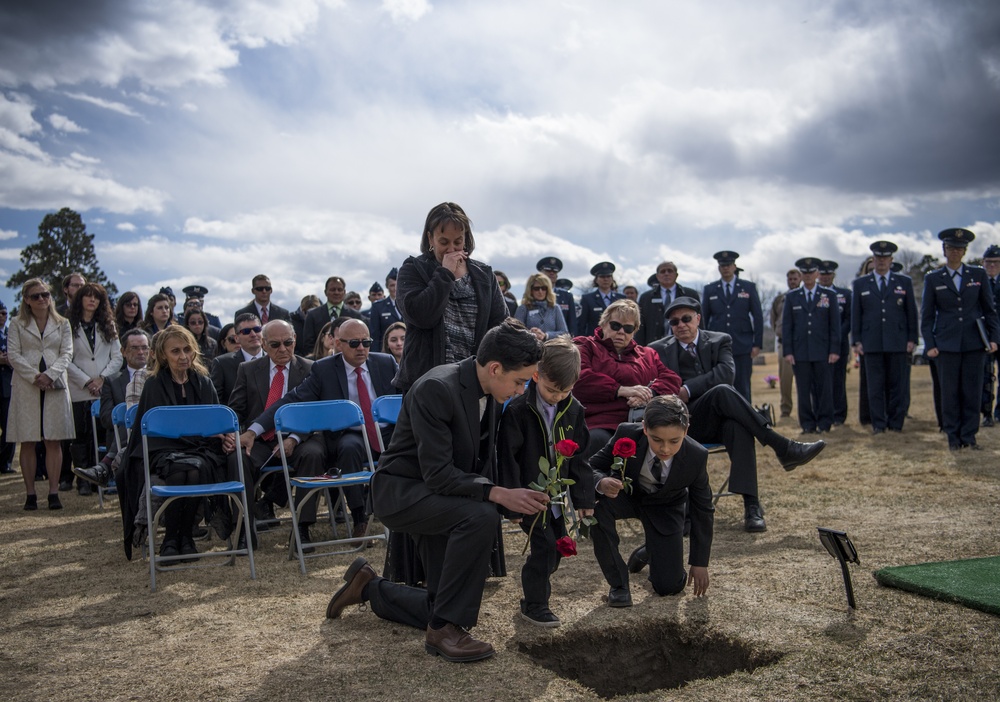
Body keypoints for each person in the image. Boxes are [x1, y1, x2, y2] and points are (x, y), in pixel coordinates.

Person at [324, 320, 546, 663]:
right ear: (496, 368)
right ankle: (445, 631)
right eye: (519, 381)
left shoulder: (485, 387)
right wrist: (498, 495)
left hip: (440, 495)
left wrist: (512, 499)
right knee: (481, 516)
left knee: (440, 601)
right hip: (402, 494)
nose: (520, 391)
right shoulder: (437, 388)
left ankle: (368, 586)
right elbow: (439, 473)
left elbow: (477, 460)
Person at [648, 297, 826, 533]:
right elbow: (660, 385)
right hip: (681, 423)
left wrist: (687, 389)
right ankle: (781, 446)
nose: (681, 325)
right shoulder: (658, 349)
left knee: (737, 425)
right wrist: (683, 392)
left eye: (686, 319)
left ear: (698, 319)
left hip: (717, 420)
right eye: (674, 321)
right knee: (723, 394)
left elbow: (726, 373)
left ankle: (751, 507)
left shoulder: (720, 340)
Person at [252, 318, 398, 543]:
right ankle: (360, 519)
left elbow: (409, 394)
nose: (361, 348)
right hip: (352, 434)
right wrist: (253, 430)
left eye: (366, 342)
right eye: (354, 343)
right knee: (348, 448)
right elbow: (292, 400)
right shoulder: (324, 369)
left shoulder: (386, 362)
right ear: (338, 344)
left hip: (388, 432)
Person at [497, 337, 594, 627]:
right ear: (536, 375)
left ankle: (535, 592)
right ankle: (535, 604)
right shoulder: (518, 410)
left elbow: (580, 457)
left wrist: (585, 499)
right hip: (528, 493)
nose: (557, 396)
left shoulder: (573, 410)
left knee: (558, 547)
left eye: (565, 391)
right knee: (544, 546)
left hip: (557, 495)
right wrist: (513, 504)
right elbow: (508, 458)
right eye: (552, 390)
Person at [117, 326, 234, 561]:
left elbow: (213, 422)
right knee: (182, 469)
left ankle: (182, 537)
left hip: (200, 450)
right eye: (176, 351)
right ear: (163, 355)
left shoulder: (203, 382)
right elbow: (152, 430)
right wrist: (197, 431)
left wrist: (221, 434)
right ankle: (174, 537)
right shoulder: (153, 384)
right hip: (163, 449)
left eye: (187, 349)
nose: (183, 356)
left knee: (195, 468)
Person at [589, 395, 713, 606]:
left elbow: (703, 508)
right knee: (598, 507)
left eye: (674, 441)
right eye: (657, 440)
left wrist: (700, 562)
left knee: (669, 587)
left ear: (686, 430)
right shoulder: (626, 433)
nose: (665, 449)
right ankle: (619, 585)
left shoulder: (697, 455)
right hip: (626, 496)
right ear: (645, 428)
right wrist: (601, 482)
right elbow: (591, 466)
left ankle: (650, 550)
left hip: (666, 506)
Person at [393, 202, 508, 393]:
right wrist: (445, 273)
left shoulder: (483, 274)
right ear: (430, 238)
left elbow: (500, 324)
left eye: (458, 241)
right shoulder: (413, 269)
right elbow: (421, 316)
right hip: (426, 382)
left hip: (474, 382)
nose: (451, 249)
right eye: (444, 242)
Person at [230, 320, 325, 550]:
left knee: (313, 454)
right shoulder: (248, 369)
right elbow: (235, 410)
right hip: (261, 440)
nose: (283, 349)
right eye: (275, 344)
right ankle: (244, 528)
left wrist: (294, 438)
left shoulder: (312, 368)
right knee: (237, 458)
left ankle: (302, 527)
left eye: (288, 342)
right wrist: (237, 435)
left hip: (299, 437)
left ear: (295, 340)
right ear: (263, 343)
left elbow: (315, 413)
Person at [921, 228, 1000, 450]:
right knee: (950, 393)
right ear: (944, 250)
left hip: (974, 343)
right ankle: (953, 437)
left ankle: (969, 436)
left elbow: (989, 310)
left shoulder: (978, 275)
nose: (954, 252)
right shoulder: (933, 278)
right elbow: (926, 316)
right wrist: (930, 344)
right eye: (950, 248)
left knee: (972, 391)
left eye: (959, 248)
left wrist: (994, 339)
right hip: (946, 345)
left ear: (965, 251)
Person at [572, 299, 681, 458]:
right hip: (601, 422)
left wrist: (649, 393)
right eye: (615, 326)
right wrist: (621, 390)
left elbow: (672, 379)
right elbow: (579, 379)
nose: (621, 332)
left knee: (672, 443)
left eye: (628, 328)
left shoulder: (647, 354)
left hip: (642, 421)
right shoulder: (584, 346)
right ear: (603, 323)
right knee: (597, 441)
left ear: (634, 331)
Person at [7, 279, 75, 510]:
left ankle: (54, 492)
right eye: (35, 296)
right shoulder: (16, 323)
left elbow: (67, 353)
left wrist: (50, 374)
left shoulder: (62, 323)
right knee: (28, 440)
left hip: (55, 385)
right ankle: (30, 493)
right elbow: (13, 355)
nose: (41, 299)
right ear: (26, 299)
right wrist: (36, 376)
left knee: (53, 440)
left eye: (45, 295)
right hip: (27, 385)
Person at [852, 241, 918, 434]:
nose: (881, 261)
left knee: (897, 385)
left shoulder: (903, 282)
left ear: (891, 260)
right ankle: (878, 424)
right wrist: (856, 340)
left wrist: (912, 338)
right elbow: (857, 314)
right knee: (875, 387)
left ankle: (895, 424)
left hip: (897, 341)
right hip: (871, 343)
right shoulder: (860, 284)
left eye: (885, 258)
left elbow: (911, 313)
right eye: (878, 258)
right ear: (873, 260)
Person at [73, 329, 151, 488]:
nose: (141, 352)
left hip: (152, 435)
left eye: (145, 347)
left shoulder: (158, 377)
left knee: (136, 416)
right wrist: (127, 413)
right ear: (123, 351)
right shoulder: (112, 381)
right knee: (129, 416)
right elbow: (106, 418)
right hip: (122, 437)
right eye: (135, 348)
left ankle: (105, 466)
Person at [64, 283, 122, 495]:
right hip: (79, 387)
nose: (92, 300)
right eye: (87, 296)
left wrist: (102, 379)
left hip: (103, 387)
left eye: (96, 297)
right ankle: (83, 481)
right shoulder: (69, 324)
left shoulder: (108, 324)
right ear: (80, 299)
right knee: (80, 435)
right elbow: (66, 358)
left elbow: (117, 357)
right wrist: (87, 381)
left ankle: (100, 477)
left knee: (100, 433)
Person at [783, 257, 841, 434]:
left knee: (824, 389)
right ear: (801, 275)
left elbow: (835, 325)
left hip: (823, 351)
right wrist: (788, 350)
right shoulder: (792, 297)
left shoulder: (828, 295)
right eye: (804, 273)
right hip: (800, 352)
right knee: (803, 390)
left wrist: (834, 349)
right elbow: (787, 326)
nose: (808, 276)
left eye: (811, 272)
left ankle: (824, 423)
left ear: (817, 273)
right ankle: (807, 424)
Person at [702, 251, 764, 403]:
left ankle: (746, 422)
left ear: (734, 266)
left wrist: (757, 343)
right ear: (719, 268)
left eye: (728, 265)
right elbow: (703, 318)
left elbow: (758, 316)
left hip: (743, 344)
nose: (726, 268)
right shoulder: (710, 289)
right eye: (722, 265)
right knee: (720, 385)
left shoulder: (748, 287)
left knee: (743, 385)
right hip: (717, 346)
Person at [636, 261, 701, 346]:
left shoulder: (690, 294)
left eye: (670, 271)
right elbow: (640, 325)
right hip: (654, 346)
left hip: (685, 344)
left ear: (676, 275)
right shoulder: (646, 298)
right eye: (663, 271)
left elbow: (700, 322)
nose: (666, 274)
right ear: (657, 276)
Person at [819, 261, 852, 425]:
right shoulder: (814, 294)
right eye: (822, 274)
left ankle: (839, 415)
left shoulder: (845, 294)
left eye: (828, 274)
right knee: (821, 383)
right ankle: (824, 414)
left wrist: (837, 335)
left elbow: (848, 319)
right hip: (819, 346)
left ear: (833, 275)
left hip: (839, 346)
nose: (825, 277)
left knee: (838, 382)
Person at [211, 313, 264, 405]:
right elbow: (216, 401)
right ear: (237, 338)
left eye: (257, 329)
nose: (253, 334)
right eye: (246, 331)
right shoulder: (222, 363)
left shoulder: (274, 359)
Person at [303, 276, 363, 353]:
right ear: (325, 292)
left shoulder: (355, 315)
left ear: (344, 292)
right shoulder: (313, 315)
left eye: (339, 289)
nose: (336, 292)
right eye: (333, 289)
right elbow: (308, 343)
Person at [770, 269, 800, 418]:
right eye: (790, 279)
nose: (793, 281)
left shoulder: (804, 297)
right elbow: (773, 320)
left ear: (800, 279)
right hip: (784, 344)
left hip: (802, 344)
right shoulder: (780, 299)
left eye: (795, 279)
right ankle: (786, 409)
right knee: (785, 379)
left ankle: (809, 409)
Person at [514, 273, 569, 341]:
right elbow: (516, 332)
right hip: (529, 348)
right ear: (530, 290)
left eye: (543, 288)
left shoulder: (555, 308)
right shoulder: (523, 308)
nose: (540, 291)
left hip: (551, 349)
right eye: (536, 288)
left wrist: (546, 335)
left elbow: (564, 333)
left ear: (548, 290)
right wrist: (531, 333)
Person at [578, 262, 626, 336]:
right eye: (602, 277)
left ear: (612, 279)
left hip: (617, 341)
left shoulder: (621, 299)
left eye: (608, 276)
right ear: (596, 280)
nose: (606, 279)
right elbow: (581, 324)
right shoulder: (587, 299)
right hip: (595, 342)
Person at [981, 245, 1000, 426]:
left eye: (996, 262)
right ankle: (986, 413)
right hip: (983, 336)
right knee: (985, 377)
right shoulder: (978, 282)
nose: (992, 266)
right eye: (989, 262)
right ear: (983, 263)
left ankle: (999, 412)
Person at [536, 257, 578, 336]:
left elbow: (572, 324)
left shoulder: (566, 296)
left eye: (554, 271)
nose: (551, 273)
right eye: (548, 270)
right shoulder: (533, 294)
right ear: (540, 274)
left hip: (560, 342)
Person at [368, 268, 403, 353]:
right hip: (386, 352)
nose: (395, 288)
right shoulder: (378, 307)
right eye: (392, 285)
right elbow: (375, 335)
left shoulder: (410, 303)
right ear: (387, 286)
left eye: (397, 284)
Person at [0, 303, 14, 473]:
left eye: (5, 313)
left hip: (8, 386)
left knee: (9, 426)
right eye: (1, 313)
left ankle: (4, 462)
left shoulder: (11, 334)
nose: (3, 316)